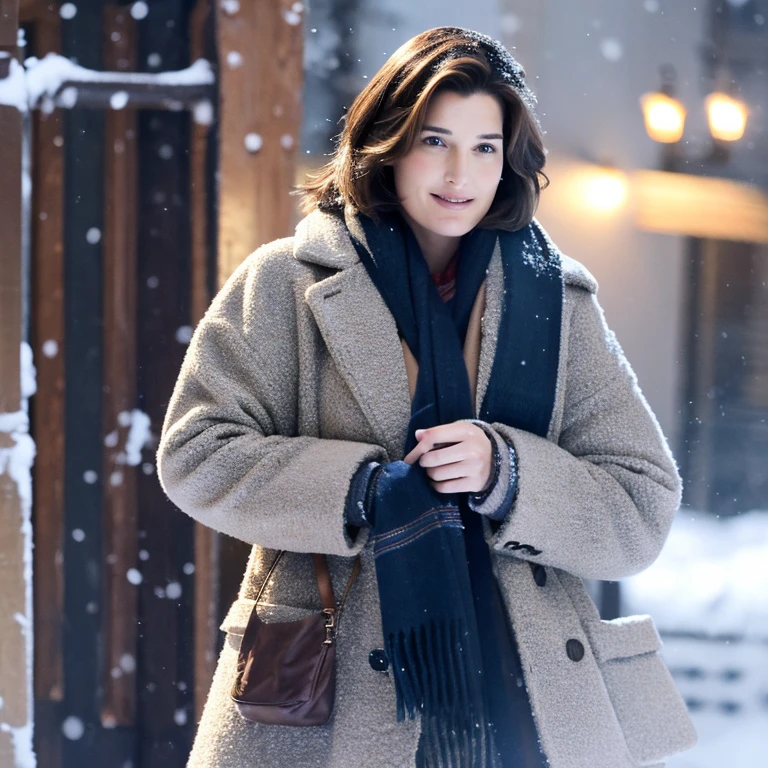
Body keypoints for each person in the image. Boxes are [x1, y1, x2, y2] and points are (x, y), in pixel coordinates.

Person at [157, 26, 697, 768]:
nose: (459, 172)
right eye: (434, 140)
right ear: (388, 144)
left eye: (484, 147)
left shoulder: (557, 302)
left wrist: (509, 471)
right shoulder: (288, 282)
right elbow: (197, 453)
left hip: (524, 697)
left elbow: (642, 502)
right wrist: (366, 487)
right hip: (334, 700)